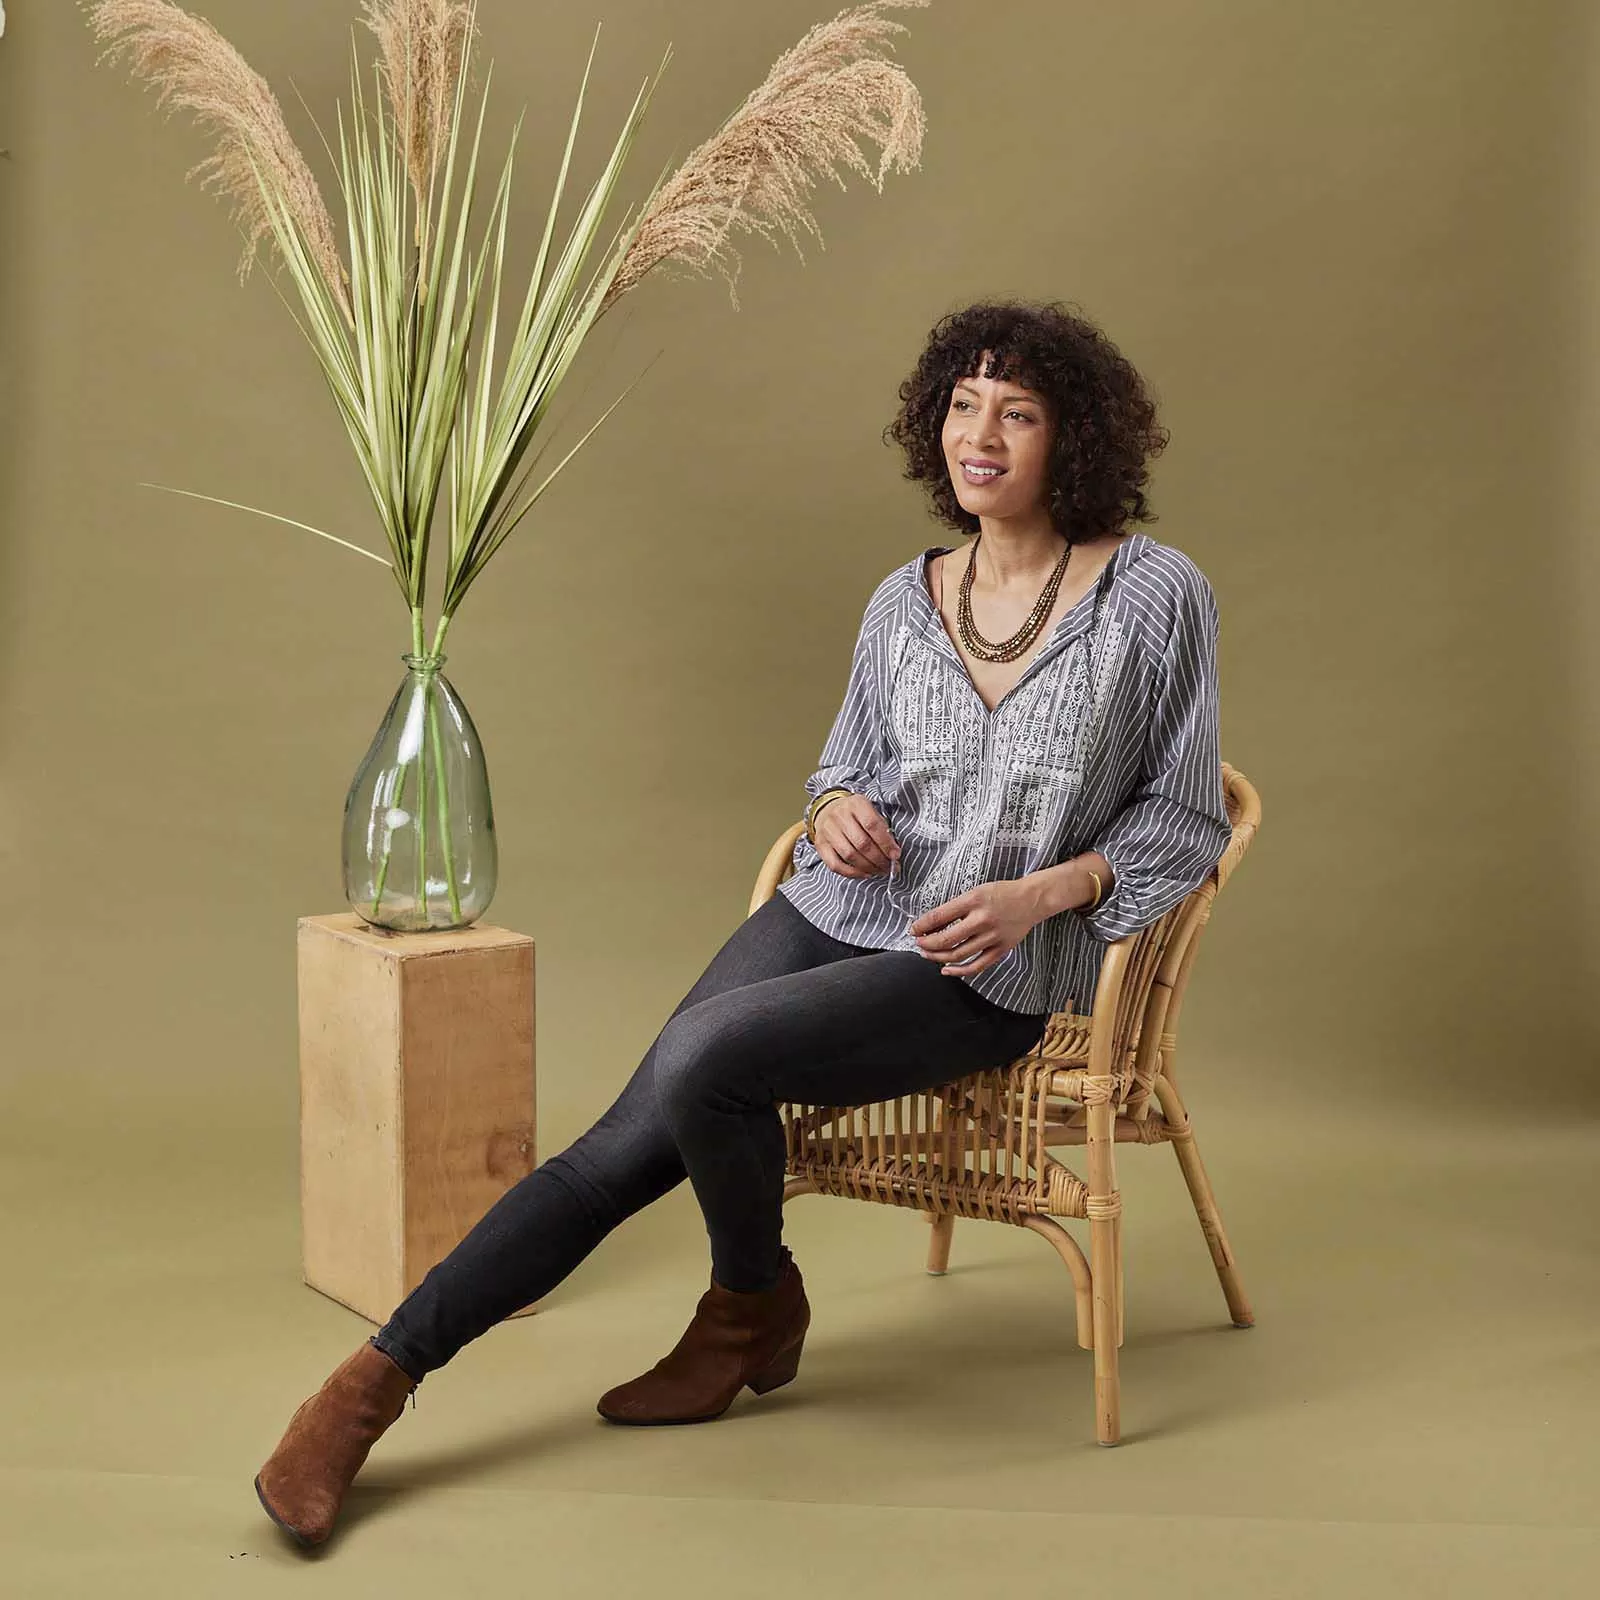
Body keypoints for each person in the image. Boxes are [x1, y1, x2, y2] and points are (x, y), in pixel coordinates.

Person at [253, 298, 1233, 1549]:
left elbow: (1186, 816)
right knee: (621, 1143)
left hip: (981, 964)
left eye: (1019, 413)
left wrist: (1046, 892)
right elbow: (841, 768)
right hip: (841, 906)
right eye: (962, 405)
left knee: (704, 1056)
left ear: (1075, 439)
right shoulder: (905, 598)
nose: (978, 435)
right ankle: (368, 1389)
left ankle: (745, 1307)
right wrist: (831, 815)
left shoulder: (1153, 596)